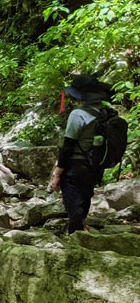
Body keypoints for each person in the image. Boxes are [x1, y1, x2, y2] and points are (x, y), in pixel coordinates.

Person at [49, 74, 113, 233]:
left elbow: (67, 147)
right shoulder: (105, 112)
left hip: (75, 167)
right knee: (85, 197)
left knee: (73, 207)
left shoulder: (78, 114)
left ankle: (76, 237)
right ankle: (83, 227)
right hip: (95, 165)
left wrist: (57, 174)